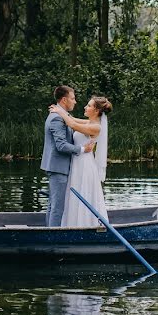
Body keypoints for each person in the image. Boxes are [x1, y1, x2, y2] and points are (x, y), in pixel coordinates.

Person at [48, 95, 111, 227]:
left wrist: (60, 111)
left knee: (84, 192)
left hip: (85, 165)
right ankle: (72, 223)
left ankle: (85, 224)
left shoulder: (96, 127)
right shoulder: (89, 122)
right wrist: (62, 111)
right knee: (73, 194)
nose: (85, 107)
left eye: (89, 105)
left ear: (96, 111)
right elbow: (72, 119)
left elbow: (72, 124)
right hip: (77, 163)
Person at [41, 86, 95, 227]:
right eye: (72, 98)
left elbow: (73, 122)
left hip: (57, 166)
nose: (75, 101)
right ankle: (53, 238)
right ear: (64, 100)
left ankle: (49, 233)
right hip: (58, 167)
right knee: (57, 207)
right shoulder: (57, 118)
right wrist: (83, 149)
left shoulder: (61, 115)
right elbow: (61, 145)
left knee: (53, 204)